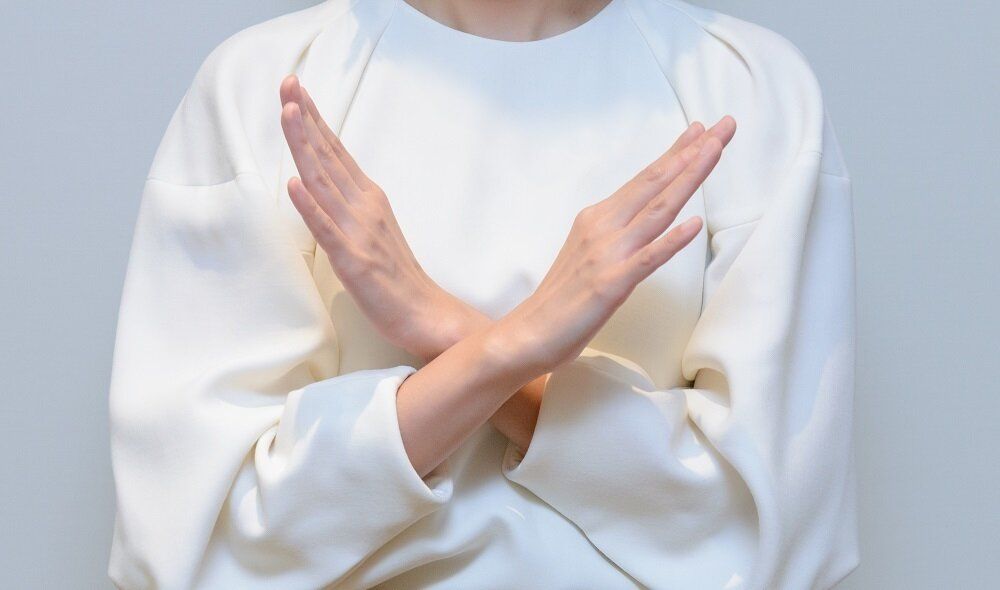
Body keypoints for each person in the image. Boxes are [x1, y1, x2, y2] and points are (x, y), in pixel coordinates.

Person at [106, 0, 859, 588]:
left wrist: (443, 324)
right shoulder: (263, 88)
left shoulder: (752, 93)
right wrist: (508, 347)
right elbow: (199, 548)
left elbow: (769, 541)